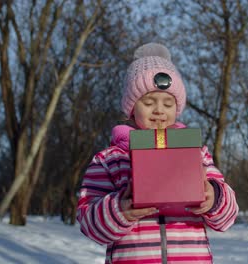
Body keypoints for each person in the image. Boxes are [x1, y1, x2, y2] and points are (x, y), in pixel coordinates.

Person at [76, 43, 238, 264]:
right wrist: (120, 209)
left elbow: (227, 218)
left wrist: (214, 197)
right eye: (149, 102)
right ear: (132, 108)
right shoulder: (110, 159)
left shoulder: (195, 154)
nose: (159, 110)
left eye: (168, 103)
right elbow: (88, 222)